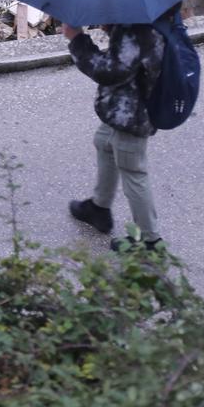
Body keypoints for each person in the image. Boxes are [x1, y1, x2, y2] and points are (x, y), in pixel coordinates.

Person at [60, 19, 166, 251]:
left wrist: (77, 40)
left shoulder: (136, 30)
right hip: (125, 106)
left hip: (133, 113)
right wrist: (112, 28)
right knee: (104, 143)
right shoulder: (141, 18)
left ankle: (150, 241)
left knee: (133, 170)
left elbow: (109, 72)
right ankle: (99, 208)